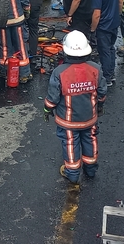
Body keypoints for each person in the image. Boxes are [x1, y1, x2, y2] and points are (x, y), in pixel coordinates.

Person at [44, 30, 107, 184]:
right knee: (90, 140)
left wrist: (47, 109)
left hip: (68, 122)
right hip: (89, 119)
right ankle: (90, 170)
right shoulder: (95, 69)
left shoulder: (59, 72)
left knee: (71, 144)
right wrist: (100, 106)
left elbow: (53, 98)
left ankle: (72, 173)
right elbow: (102, 92)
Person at [0, 0, 32, 84]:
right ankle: (24, 74)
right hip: (18, 19)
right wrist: (27, 12)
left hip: (1, 21)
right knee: (21, 48)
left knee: (4, 48)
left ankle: (4, 73)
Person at [88, 0, 119, 87]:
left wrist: (92, 30)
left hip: (104, 26)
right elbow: (120, 1)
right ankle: (111, 73)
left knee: (104, 51)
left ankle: (107, 78)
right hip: (114, 23)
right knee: (111, 48)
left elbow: (96, 15)